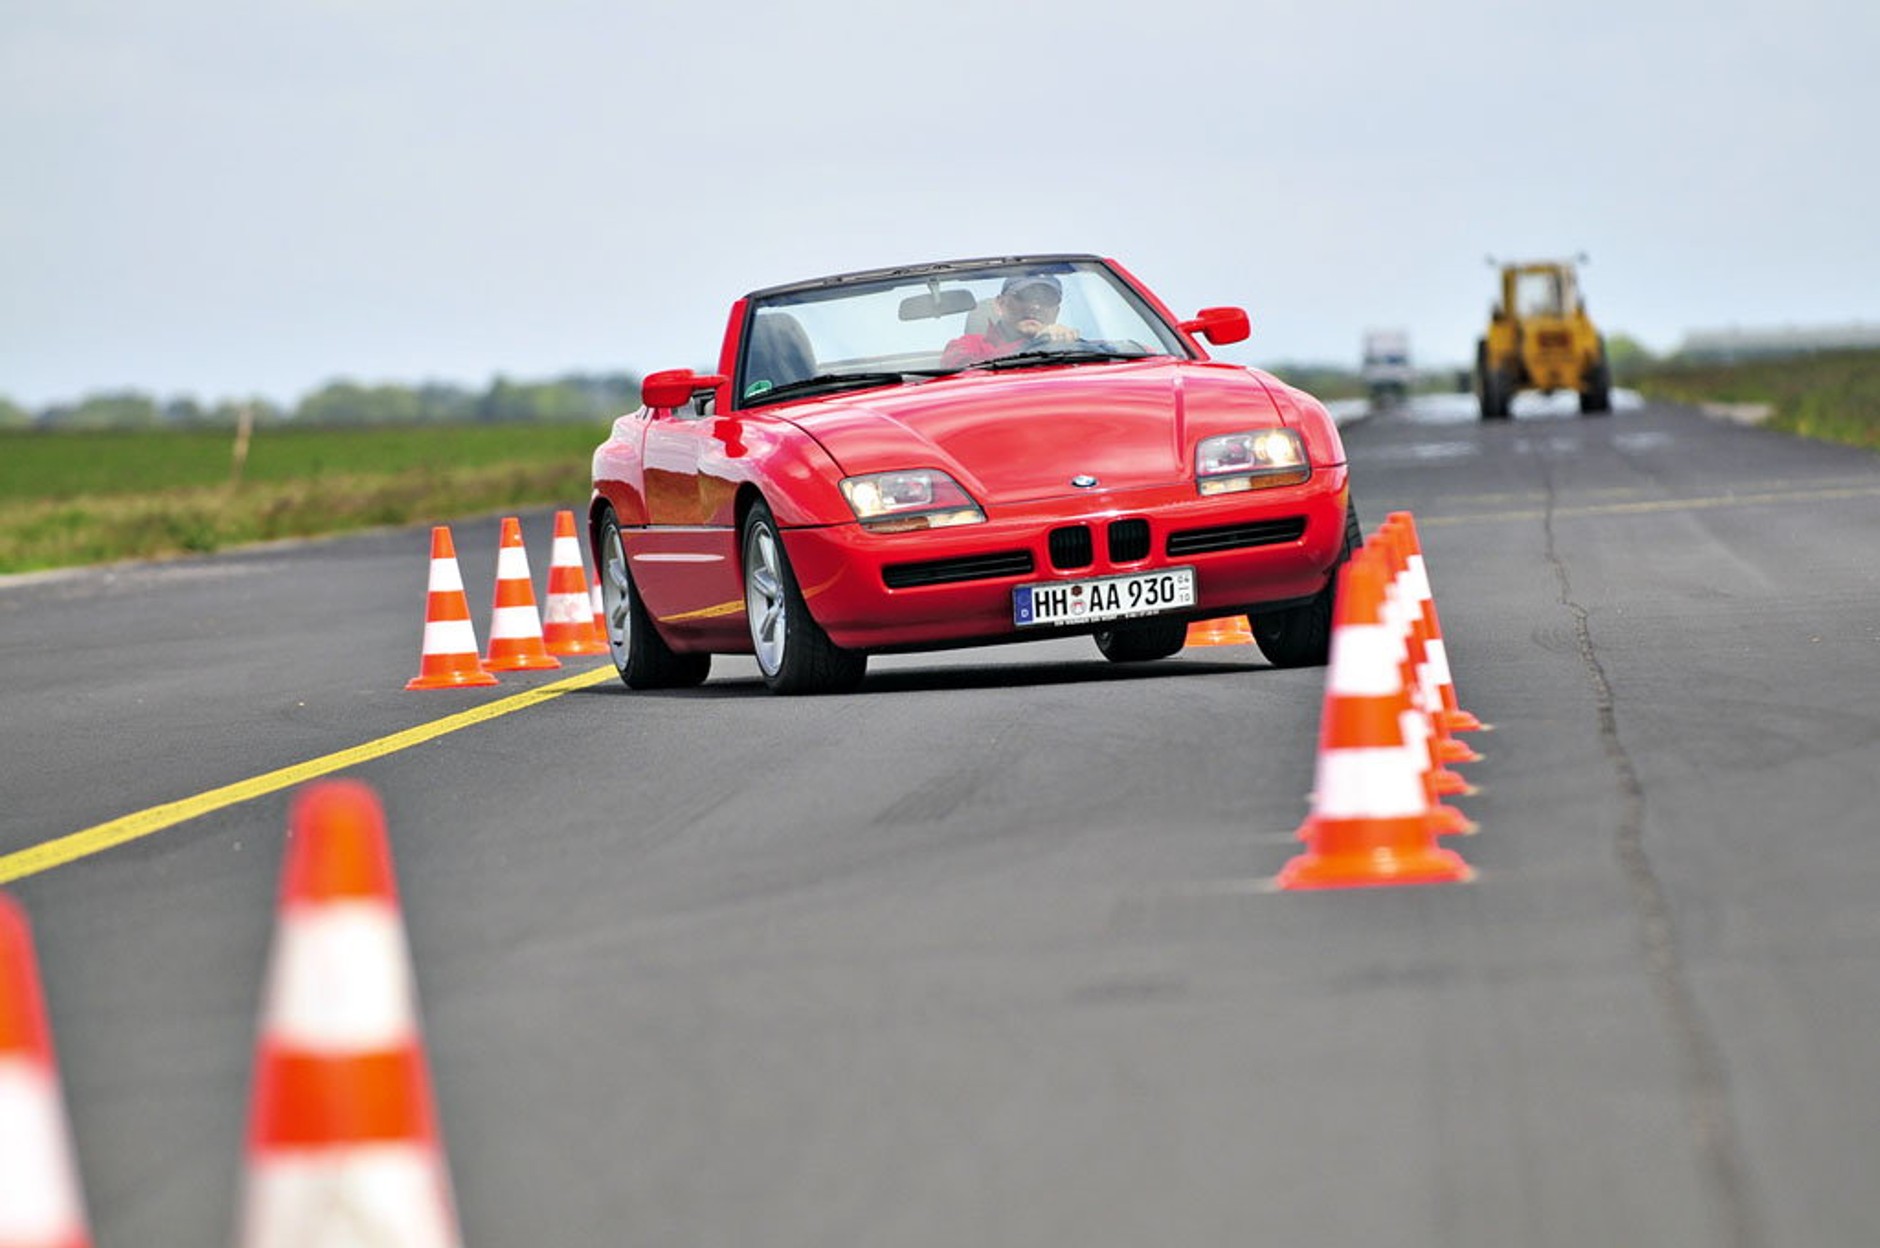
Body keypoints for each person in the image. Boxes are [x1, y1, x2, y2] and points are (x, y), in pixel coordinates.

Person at [942, 273, 1080, 367]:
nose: (1035, 306)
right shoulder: (967, 346)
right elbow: (960, 375)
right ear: (1000, 304)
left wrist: (1068, 347)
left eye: (1046, 299)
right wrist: (1037, 346)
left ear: (1056, 312)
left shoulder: (1076, 351)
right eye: (1024, 296)